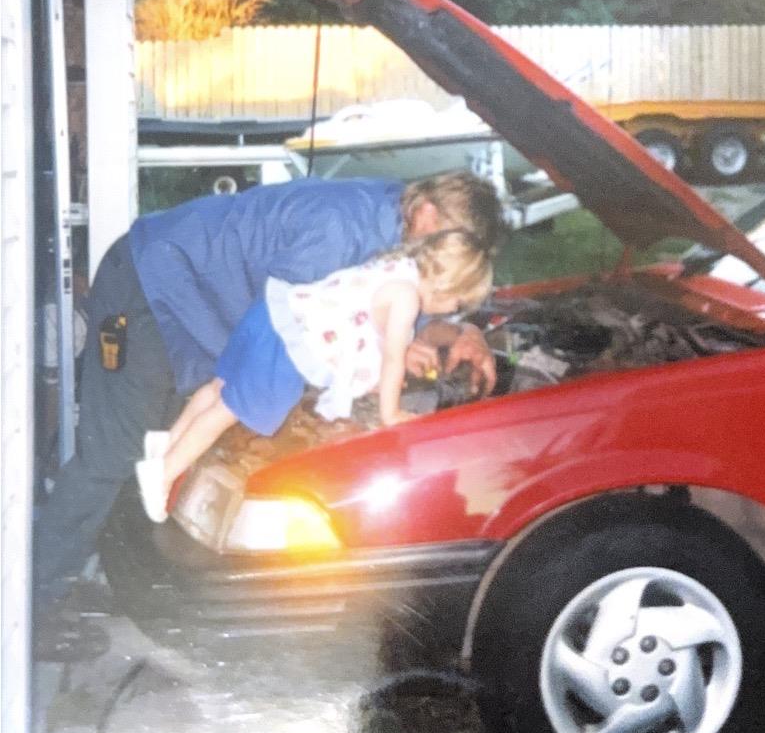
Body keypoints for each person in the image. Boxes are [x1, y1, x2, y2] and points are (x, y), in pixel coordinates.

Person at [33, 171, 503, 658]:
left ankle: (81, 574)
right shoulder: (340, 224)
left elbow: (384, 307)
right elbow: (287, 321)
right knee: (109, 457)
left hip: (195, 306)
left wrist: (451, 334)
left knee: (167, 446)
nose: (449, 251)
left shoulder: (398, 227)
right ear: (428, 215)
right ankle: (31, 607)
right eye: (454, 239)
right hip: (153, 283)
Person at [134, 228, 493, 521]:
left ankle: (166, 444)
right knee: (232, 410)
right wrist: (391, 413)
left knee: (219, 388)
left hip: (272, 313)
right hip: (291, 346)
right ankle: (163, 475)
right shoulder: (407, 298)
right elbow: (393, 359)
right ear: (448, 288)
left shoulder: (398, 267)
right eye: (457, 305)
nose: (452, 311)